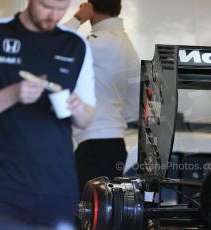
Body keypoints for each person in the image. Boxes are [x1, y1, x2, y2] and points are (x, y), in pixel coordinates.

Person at [0, 0, 96, 228]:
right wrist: (13, 94)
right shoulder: (1, 33)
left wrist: (77, 108)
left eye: (62, 9)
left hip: (57, 186)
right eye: (47, 6)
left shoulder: (75, 45)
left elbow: (87, 119)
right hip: (5, 186)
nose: (54, 16)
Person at [65, 0, 140, 192]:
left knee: (84, 214)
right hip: (114, 143)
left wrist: (77, 18)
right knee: (105, 214)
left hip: (95, 143)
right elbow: (134, 102)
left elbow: (52, 47)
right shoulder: (127, 45)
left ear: (90, 8)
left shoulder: (99, 42)